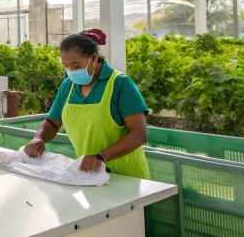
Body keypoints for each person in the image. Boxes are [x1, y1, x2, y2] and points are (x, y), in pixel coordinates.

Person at [23, 29, 150, 179]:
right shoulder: (68, 86)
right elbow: (52, 122)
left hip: (126, 176)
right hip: (89, 174)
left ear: (94, 58)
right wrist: (39, 138)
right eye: (66, 66)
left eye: (76, 66)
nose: (71, 71)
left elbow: (139, 134)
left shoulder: (120, 84)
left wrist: (101, 157)